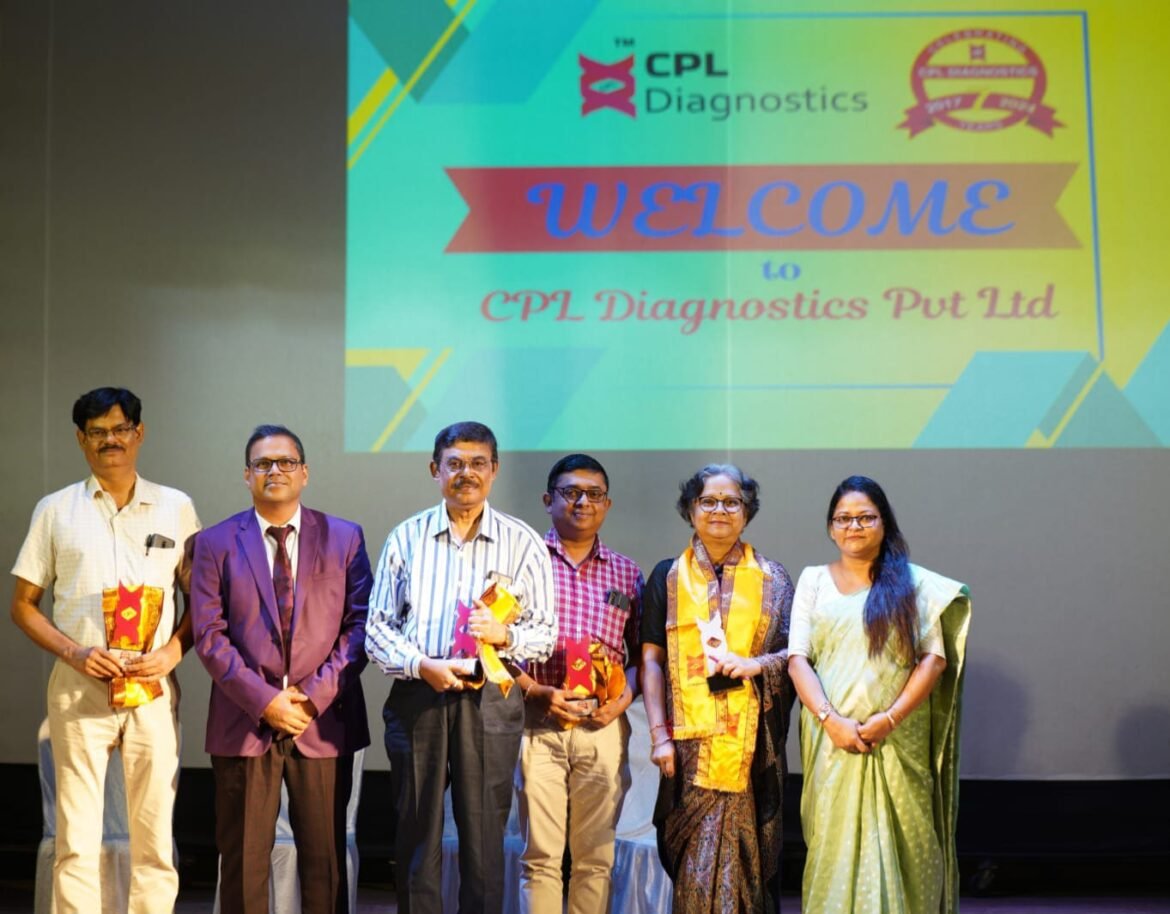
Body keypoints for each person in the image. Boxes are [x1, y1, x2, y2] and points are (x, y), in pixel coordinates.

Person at [10, 387, 200, 914]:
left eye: (119, 430)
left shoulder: (175, 507)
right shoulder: (55, 510)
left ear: (139, 434)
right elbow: (23, 605)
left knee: (154, 837)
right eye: (97, 432)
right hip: (79, 688)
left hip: (152, 688)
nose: (109, 441)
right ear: (80, 439)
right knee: (75, 838)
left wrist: (172, 653)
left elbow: (203, 601)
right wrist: (74, 653)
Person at [365, 420, 556, 914]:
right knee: (416, 834)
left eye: (477, 463)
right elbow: (377, 629)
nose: (465, 473)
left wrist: (505, 636)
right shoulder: (406, 537)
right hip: (419, 695)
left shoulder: (522, 542)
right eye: (454, 464)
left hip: (489, 698)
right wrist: (420, 663)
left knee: (485, 839)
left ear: (494, 470)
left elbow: (545, 633)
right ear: (435, 470)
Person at [190, 424, 372, 914]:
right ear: (246, 475)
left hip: (323, 721)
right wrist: (266, 701)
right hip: (244, 720)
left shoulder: (344, 537)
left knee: (325, 864)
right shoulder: (214, 542)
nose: (275, 470)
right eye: (263, 463)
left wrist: (311, 698)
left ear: (304, 473)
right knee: (243, 865)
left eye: (286, 462)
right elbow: (209, 635)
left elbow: (361, 626)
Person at [787, 475, 971, 914]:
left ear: (884, 523)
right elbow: (797, 660)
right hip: (833, 741)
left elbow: (934, 660)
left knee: (909, 848)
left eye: (866, 517)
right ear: (831, 528)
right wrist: (832, 721)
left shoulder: (914, 584)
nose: (854, 526)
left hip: (898, 740)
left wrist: (888, 720)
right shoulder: (814, 580)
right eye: (844, 519)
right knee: (832, 850)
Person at [640, 464, 794, 914]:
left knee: (745, 865)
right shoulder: (668, 576)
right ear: (691, 509)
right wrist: (659, 736)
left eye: (732, 502)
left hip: (750, 749)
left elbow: (796, 658)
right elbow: (651, 662)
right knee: (694, 862)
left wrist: (753, 665)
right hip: (686, 751)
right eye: (708, 501)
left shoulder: (774, 580)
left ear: (747, 512)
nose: (720, 510)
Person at [512, 454, 644, 914]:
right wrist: (535, 692)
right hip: (538, 723)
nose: (582, 502)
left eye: (593, 494)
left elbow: (640, 656)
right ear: (548, 500)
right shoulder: (522, 564)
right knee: (540, 858)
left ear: (607, 504)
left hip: (601, 726)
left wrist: (621, 702)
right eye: (570, 492)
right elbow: (496, 649)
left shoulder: (627, 572)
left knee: (595, 859)